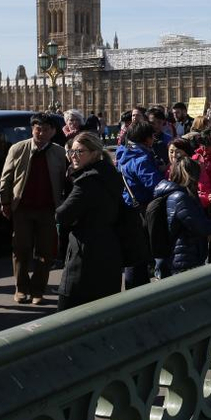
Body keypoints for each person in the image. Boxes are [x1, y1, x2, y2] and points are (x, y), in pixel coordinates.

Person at [0, 113, 66, 305]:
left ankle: (38, 291)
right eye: (38, 128)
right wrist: (5, 202)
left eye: (46, 129)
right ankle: (21, 289)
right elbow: (6, 178)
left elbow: (66, 180)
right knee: (21, 250)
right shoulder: (18, 149)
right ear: (32, 129)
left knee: (45, 253)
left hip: (48, 209)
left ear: (53, 132)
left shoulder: (59, 153)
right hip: (22, 209)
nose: (41, 133)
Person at [55, 132, 122, 310]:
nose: (74, 156)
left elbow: (62, 215)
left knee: (68, 309)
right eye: (71, 152)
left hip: (85, 251)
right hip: (109, 248)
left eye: (80, 152)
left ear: (93, 153)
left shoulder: (87, 182)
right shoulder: (110, 173)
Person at [116, 121, 163, 289]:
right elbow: (155, 184)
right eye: (152, 136)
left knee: (133, 255)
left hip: (128, 208)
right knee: (139, 257)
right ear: (146, 139)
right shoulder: (141, 158)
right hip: (141, 208)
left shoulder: (123, 153)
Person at [155, 158, 211, 276]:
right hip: (184, 259)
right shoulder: (180, 198)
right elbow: (200, 227)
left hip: (183, 256)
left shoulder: (177, 194)